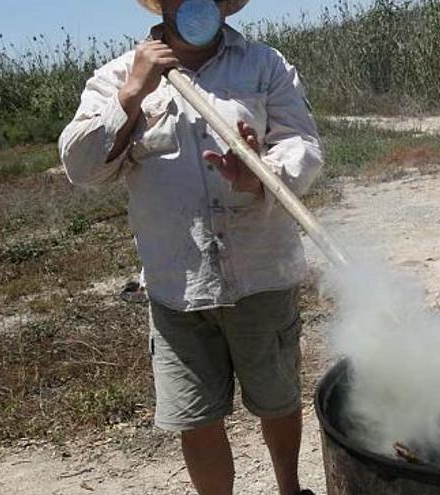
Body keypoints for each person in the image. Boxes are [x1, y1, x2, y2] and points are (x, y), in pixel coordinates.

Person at [58, 1, 322, 494]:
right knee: (196, 416)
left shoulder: (265, 64)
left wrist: (259, 173)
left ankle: (290, 488)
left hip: (262, 271)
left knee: (278, 398)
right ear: (162, 5)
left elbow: (303, 145)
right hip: (177, 285)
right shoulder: (117, 75)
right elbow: (83, 168)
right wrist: (132, 95)